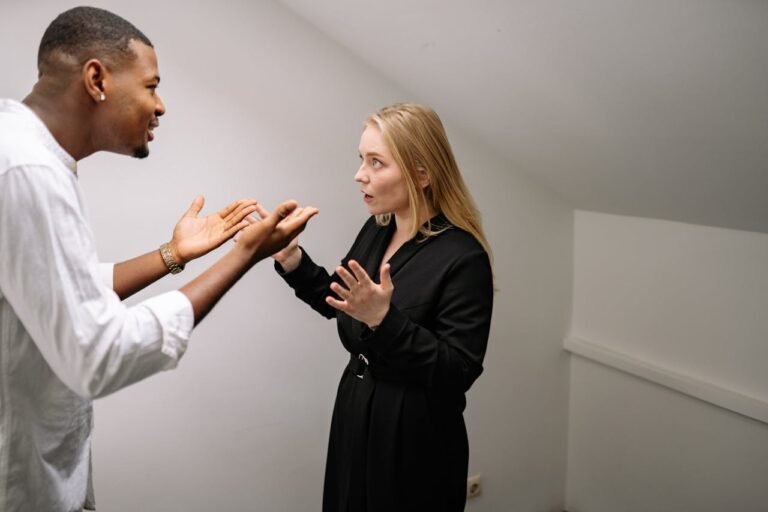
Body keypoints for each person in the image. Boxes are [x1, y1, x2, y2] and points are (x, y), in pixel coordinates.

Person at [0, 7, 317, 511]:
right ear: (97, 79)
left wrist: (174, 255)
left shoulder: (22, 151)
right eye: (151, 85)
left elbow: (64, 289)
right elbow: (97, 355)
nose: (160, 105)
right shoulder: (26, 169)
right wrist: (244, 255)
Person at [264, 103, 493, 511]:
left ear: (422, 174)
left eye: (376, 162)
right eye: (361, 159)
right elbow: (342, 302)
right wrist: (292, 259)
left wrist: (384, 321)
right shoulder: (377, 228)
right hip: (356, 412)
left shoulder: (463, 256)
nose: (360, 174)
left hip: (415, 436)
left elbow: (459, 370)